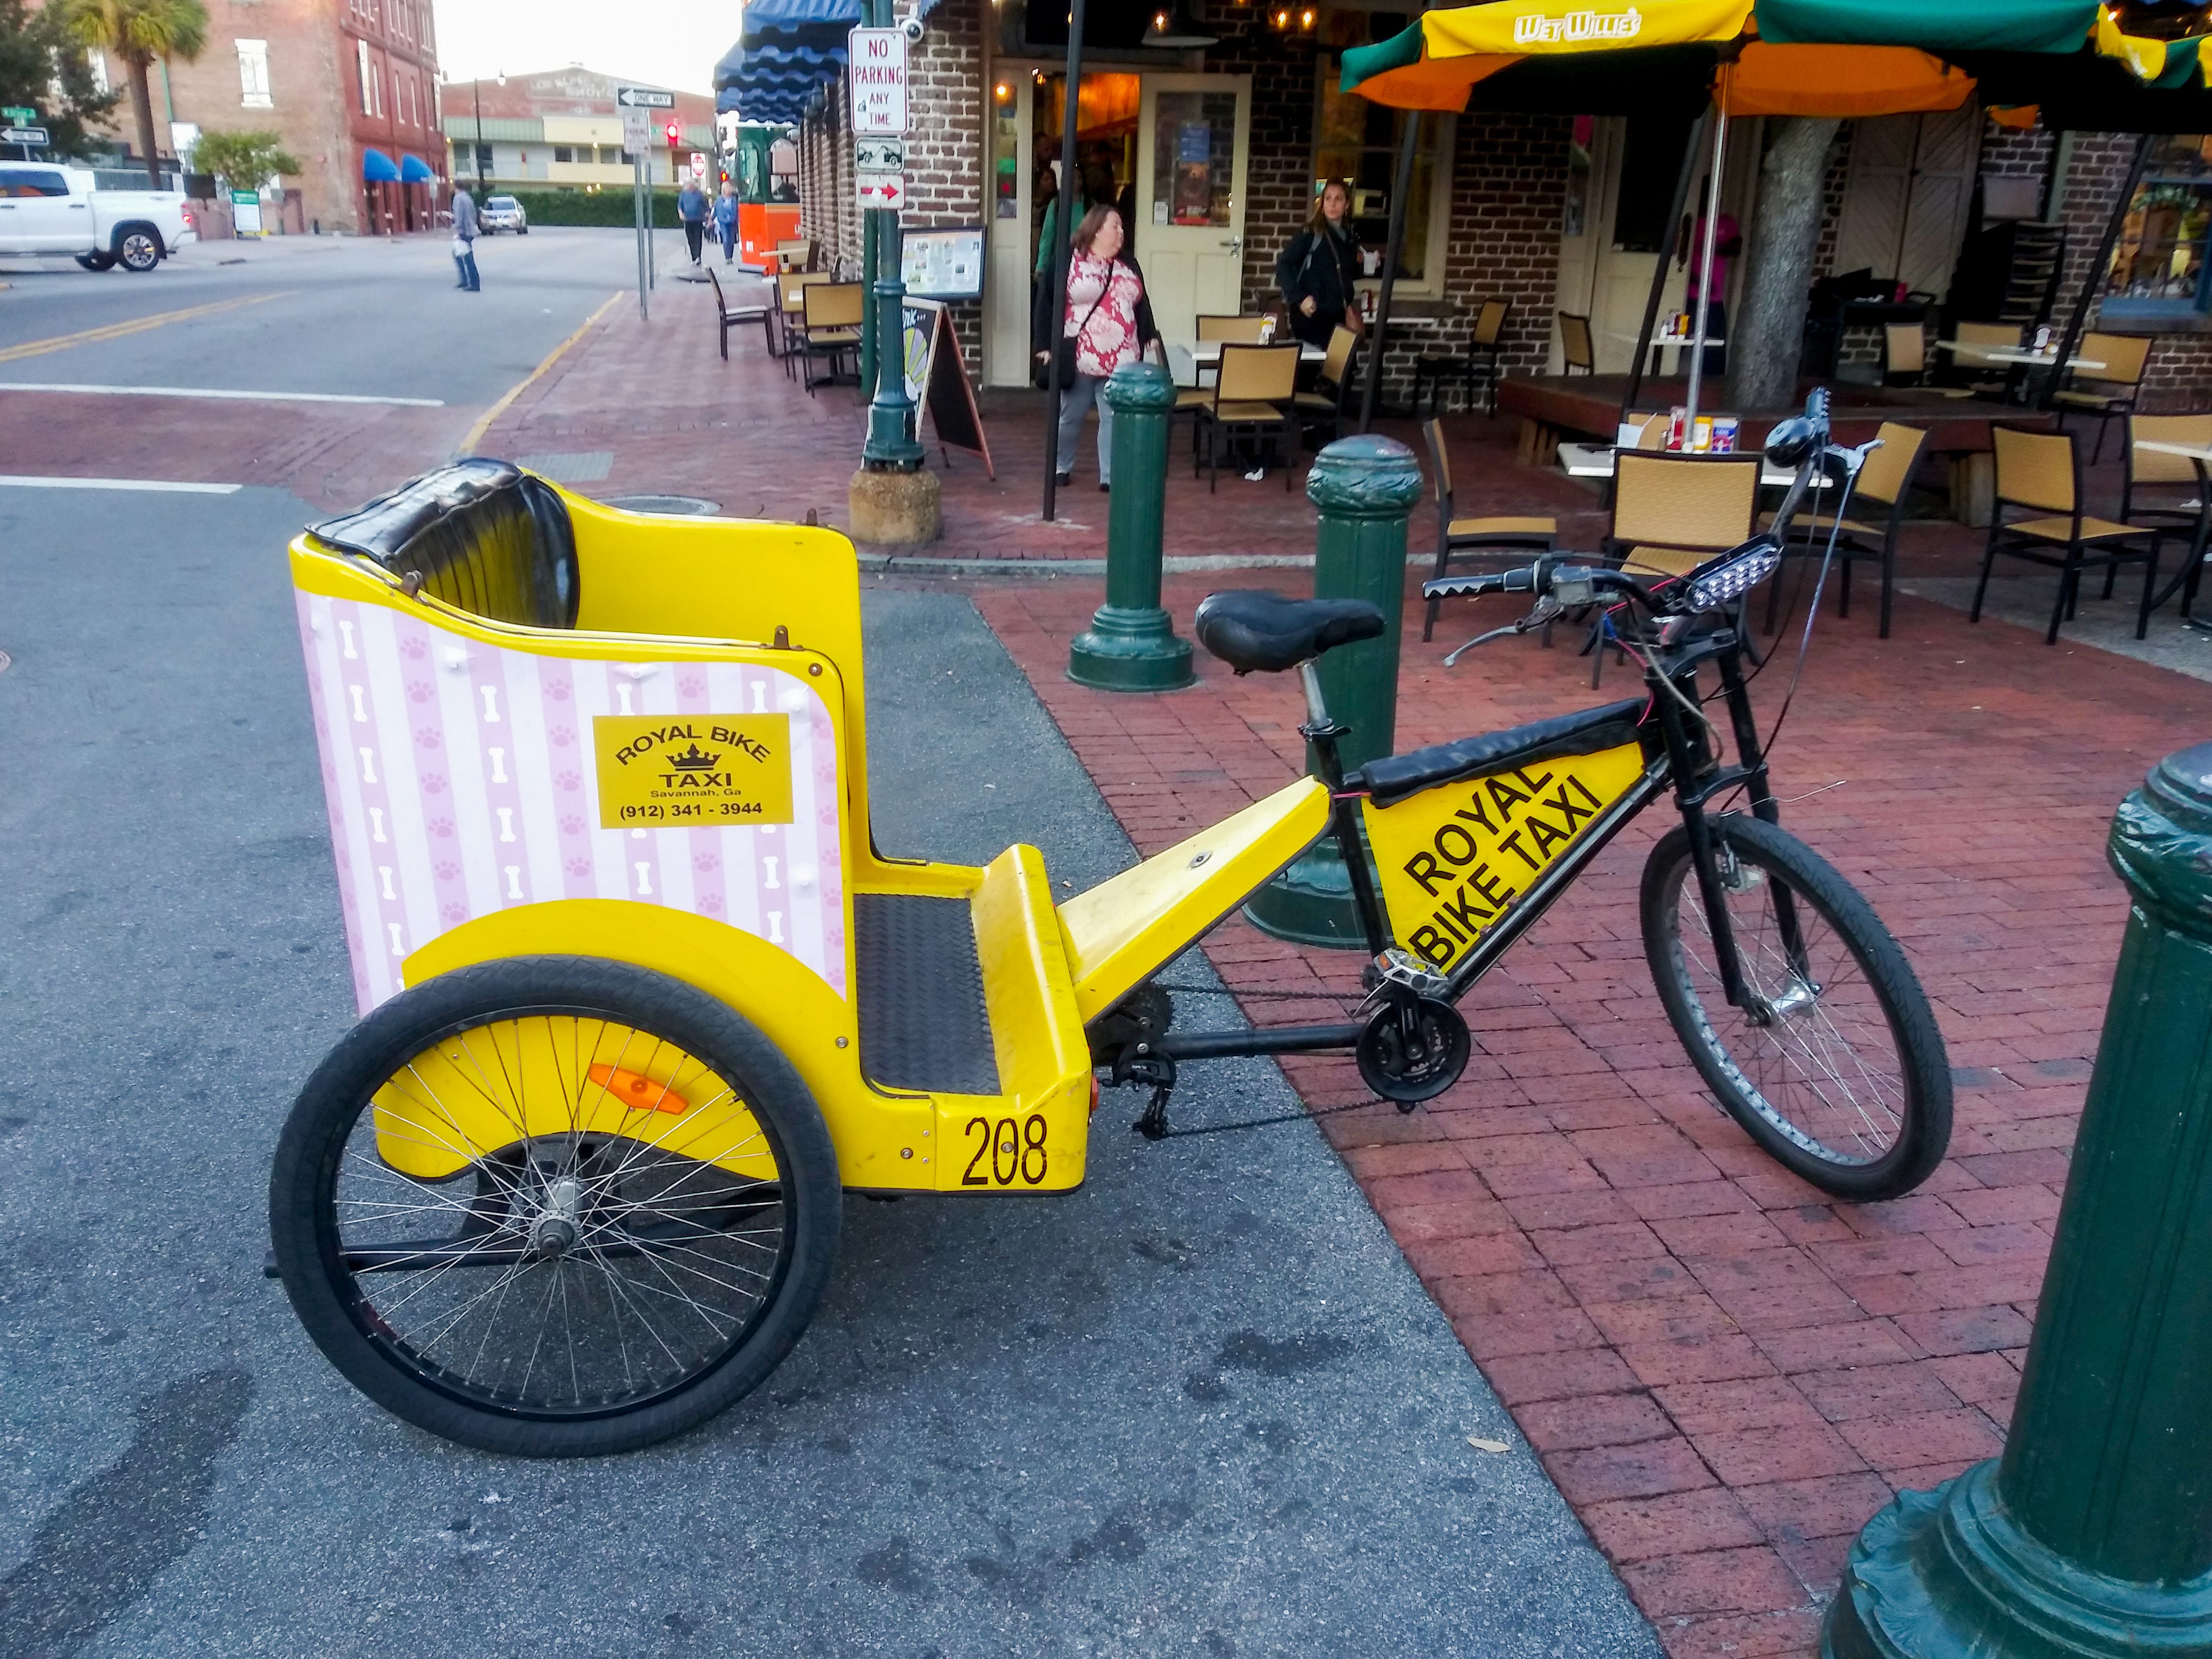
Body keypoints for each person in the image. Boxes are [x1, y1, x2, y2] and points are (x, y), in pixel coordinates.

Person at [1033, 204, 1157, 493]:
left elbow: (1142, 303)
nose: (1121, 233)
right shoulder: (1067, 261)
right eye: (1116, 227)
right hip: (1080, 355)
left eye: (1122, 228)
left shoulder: (1128, 263)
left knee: (1113, 416)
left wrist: (1150, 334)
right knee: (1070, 416)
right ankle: (1061, 466)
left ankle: (1110, 475)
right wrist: (1044, 346)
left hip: (1123, 355)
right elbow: (1046, 304)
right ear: (1097, 229)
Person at [1275, 180, 1363, 350]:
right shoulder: (1310, 233)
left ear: (1347, 204)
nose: (1333, 204)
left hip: (1338, 315)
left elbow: (1346, 274)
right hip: (1313, 314)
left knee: (1342, 371)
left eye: (1339, 199)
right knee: (1314, 369)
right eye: (1328, 199)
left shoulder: (1350, 238)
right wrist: (1300, 298)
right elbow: (1283, 266)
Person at [1680, 187, 1741, 377]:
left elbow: (1736, 247)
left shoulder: (1726, 222)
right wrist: (1697, 281)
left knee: (1714, 345)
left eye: (1718, 196)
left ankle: (1711, 386)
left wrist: (1715, 248)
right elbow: (1680, 259)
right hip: (1687, 297)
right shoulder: (1691, 223)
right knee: (1680, 343)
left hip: (1714, 298)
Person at [449, 186, 480, 291]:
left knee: (467, 258)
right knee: (459, 255)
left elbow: (458, 216)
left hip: (463, 232)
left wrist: (457, 230)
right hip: (470, 230)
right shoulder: (468, 198)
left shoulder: (458, 198)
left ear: (455, 187)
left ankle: (473, 283)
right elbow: (474, 213)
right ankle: (465, 280)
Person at [677, 176, 708, 266]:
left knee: (698, 239)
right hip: (688, 220)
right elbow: (680, 206)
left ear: (692, 185)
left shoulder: (699, 194)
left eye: (689, 184)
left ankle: (698, 256)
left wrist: (708, 218)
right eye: (686, 184)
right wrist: (681, 214)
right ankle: (694, 257)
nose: (687, 186)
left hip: (698, 219)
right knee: (690, 239)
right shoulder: (683, 194)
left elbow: (705, 206)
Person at [713, 181, 739, 264]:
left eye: (730, 188)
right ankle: (727, 257)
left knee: (732, 240)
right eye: (728, 188)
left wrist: (738, 220)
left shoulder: (734, 199)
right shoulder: (719, 199)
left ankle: (730, 257)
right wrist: (710, 220)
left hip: (732, 222)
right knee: (726, 239)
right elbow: (716, 210)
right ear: (724, 190)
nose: (730, 190)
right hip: (723, 222)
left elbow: (738, 210)